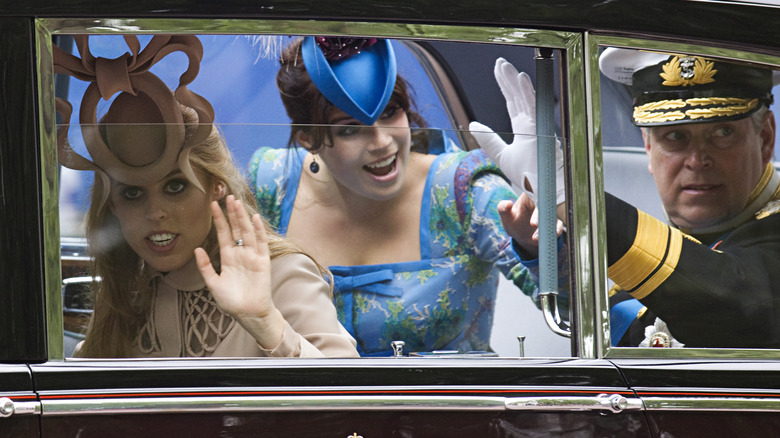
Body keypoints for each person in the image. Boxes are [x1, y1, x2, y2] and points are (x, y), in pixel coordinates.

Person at [54, 34, 358, 358]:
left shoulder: (282, 274)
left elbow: (355, 403)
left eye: (175, 187)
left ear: (217, 186)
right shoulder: (128, 293)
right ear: (113, 205)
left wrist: (266, 324)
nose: (155, 213)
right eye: (132, 193)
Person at [249, 36, 538, 356]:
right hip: (306, 403)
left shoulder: (463, 189)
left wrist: (542, 240)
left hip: (450, 404)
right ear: (308, 139)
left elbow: (574, 310)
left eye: (390, 113)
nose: (382, 142)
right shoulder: (271, 185)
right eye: (350, 128)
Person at [476, 49, 780, 348]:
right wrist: (550, 253)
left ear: (765, 138)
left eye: (723, 133)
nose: (697, 160)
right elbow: (616, 325)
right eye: (675, 136)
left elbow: (739, 306)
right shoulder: (670, 242)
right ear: (648, 147)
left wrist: (567, 196)